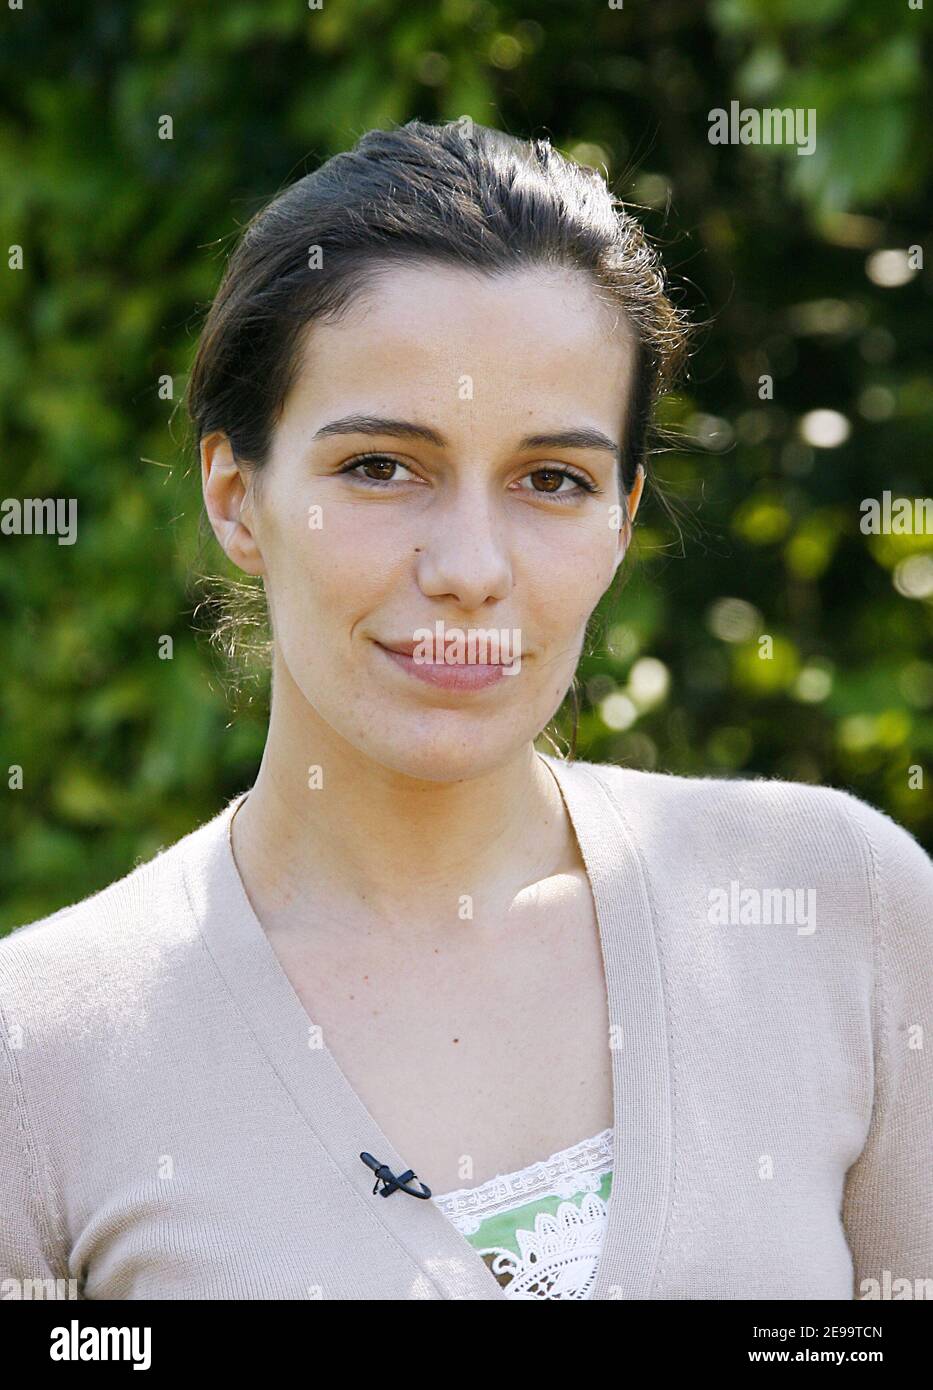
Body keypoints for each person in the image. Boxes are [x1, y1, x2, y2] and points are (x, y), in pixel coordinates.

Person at [1, 120, 930, 1302]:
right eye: (382, 467)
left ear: (623, 515)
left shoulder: (840, 911)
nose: (471, 567)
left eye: (554, 480)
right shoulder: (38, 1055)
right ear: (237, 496)